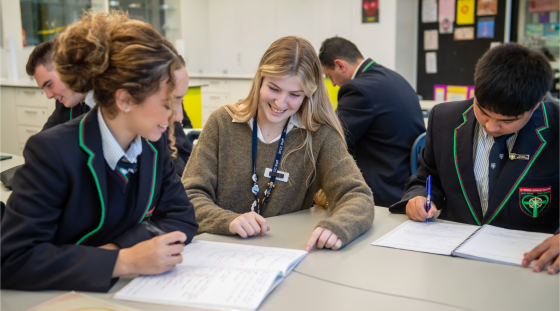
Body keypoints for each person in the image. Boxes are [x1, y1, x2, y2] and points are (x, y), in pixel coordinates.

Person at [0, 11, 199, 292]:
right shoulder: (52, 151)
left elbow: (182, 217)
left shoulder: (153, 144)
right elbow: (14, 260)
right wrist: (123, 261)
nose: (178, 117)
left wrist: (118, 247)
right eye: (170, 103)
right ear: (126, 99)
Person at [182, 36, 375, 251]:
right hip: (219, 251)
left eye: (294, 94)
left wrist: (338, 227)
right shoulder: (222, 122)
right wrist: (226, 220)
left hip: (284, 252)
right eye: (274, 88)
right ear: (260, 80)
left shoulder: (319, 135)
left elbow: (357, 195)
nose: (280, 103)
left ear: (308, 95)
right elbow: (189, 194)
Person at [389, 43, 560, 275]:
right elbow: (427, 176)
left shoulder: (556, 127)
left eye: (507, 121)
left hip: (528, 266)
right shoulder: (444, 119)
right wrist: (419, 197)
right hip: (452, 261)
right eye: (483, 111)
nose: (491, 127)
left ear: (538, 101)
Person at [318, 37, 425, 207]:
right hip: (407, 179)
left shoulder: (358, 89)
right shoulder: (394, 77)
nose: (333, 83)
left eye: (330, 76)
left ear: (340, 65)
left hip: (383, 186)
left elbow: (333, 138)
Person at [26, 41, 93, 131]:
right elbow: (44, 137)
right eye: (44, 89)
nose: (48, 96)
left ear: (69, 69)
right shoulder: (64, 105)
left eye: (49, 84)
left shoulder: (113, 101)